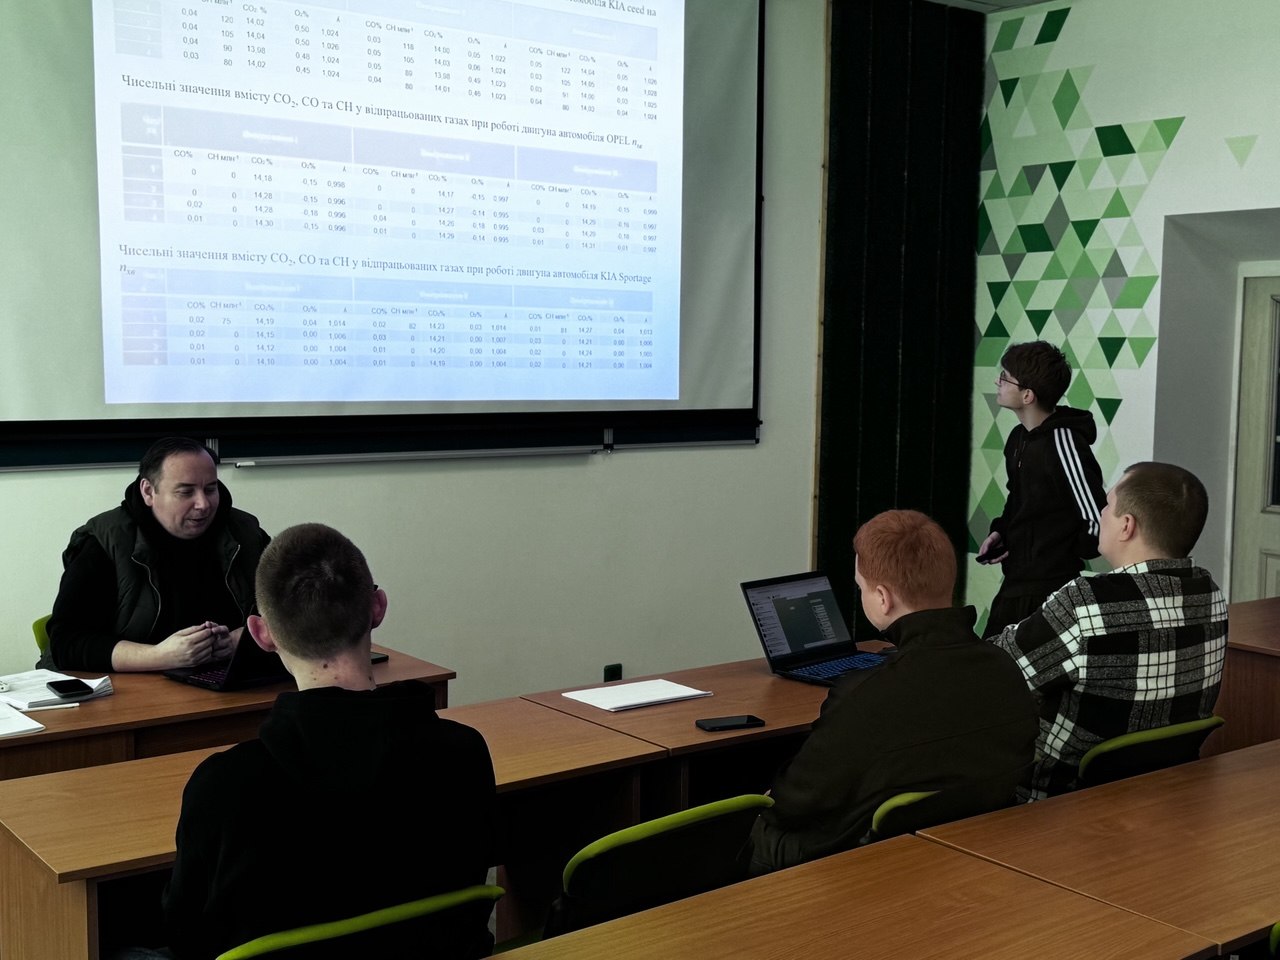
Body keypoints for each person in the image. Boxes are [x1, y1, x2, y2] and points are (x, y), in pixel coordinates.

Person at [161, 523, 498, 959]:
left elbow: (187, 936)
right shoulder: (464, 752)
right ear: (377, 608)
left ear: (261, 634)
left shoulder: (224, 784)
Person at [746, 510, 1038, 876]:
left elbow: (794, 805)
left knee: (752, 828)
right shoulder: (1003, 668)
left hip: (860, 865)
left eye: (861, 587)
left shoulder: (866, 694)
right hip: (967, 854)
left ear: (883, 598)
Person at [989, 462, 1228, 800]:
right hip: (1164, 793)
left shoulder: (1087, 603)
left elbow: (990, 672)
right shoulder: (1210, 596)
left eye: (1106, 505)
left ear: (1126, 526)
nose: (1100, 513)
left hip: (1054, 799)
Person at [45, 437, 270, 672]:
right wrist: (160, 656)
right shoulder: (105, 541)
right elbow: (66, 644)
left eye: (210, 489)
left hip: (229, 677)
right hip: (133, 686)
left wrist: (243, 640)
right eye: (186, 492)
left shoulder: (247, 534)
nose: (203, 504)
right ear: (148, 492)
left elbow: (288, 613)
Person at [978, 341, 1107, 638]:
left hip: (1050, 589)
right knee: (990, 659)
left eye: (1005, 377)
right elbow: (1020, 499)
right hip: (1017, 582)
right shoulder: (1018, 438)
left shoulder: (1064, 442)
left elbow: (1096, 516)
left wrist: (1055, 556)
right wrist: (1002, 532)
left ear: (1028, 395)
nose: (998, 381)